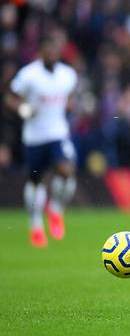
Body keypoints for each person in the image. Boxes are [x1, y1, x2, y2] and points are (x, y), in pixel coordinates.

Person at [5, 35, 78, 248]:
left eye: (55, 52)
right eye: (49, 52)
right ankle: (35, 225)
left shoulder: (67, 75)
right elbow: (10, 96)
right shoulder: (29, 75)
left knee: (66, 171)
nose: (52, 55)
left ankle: (55, 209)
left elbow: (70, 96)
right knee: (36, 182)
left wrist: (72, 105)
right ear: (42, 53)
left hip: (58, 133)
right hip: (34, 137)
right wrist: (21, 109)